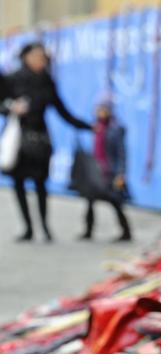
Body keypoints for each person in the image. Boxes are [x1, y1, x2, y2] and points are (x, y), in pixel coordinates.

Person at [4, 42, 92, 242]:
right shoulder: (12, 79)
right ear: (25, 57)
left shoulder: (46, 82)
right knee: (19, 183)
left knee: (40, 183)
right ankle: (27, 227)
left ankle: (44, 226)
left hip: (41, 139)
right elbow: (2, 104)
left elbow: (62, 111)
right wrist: (11, 107)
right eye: (35, 57)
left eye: (42, 58)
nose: (39, 61)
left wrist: (87, 126)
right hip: (18, 139)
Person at [78, 99, 132, 242]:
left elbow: (121, 153)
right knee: (90, 200)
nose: (100, 111)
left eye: (103, 109)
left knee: (115, 202)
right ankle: (88, 230)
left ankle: (126, 231)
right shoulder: (97, 128)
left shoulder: (116, 129)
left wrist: (121, 173)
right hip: (96, 171)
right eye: (98, 108)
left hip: (109, 172)